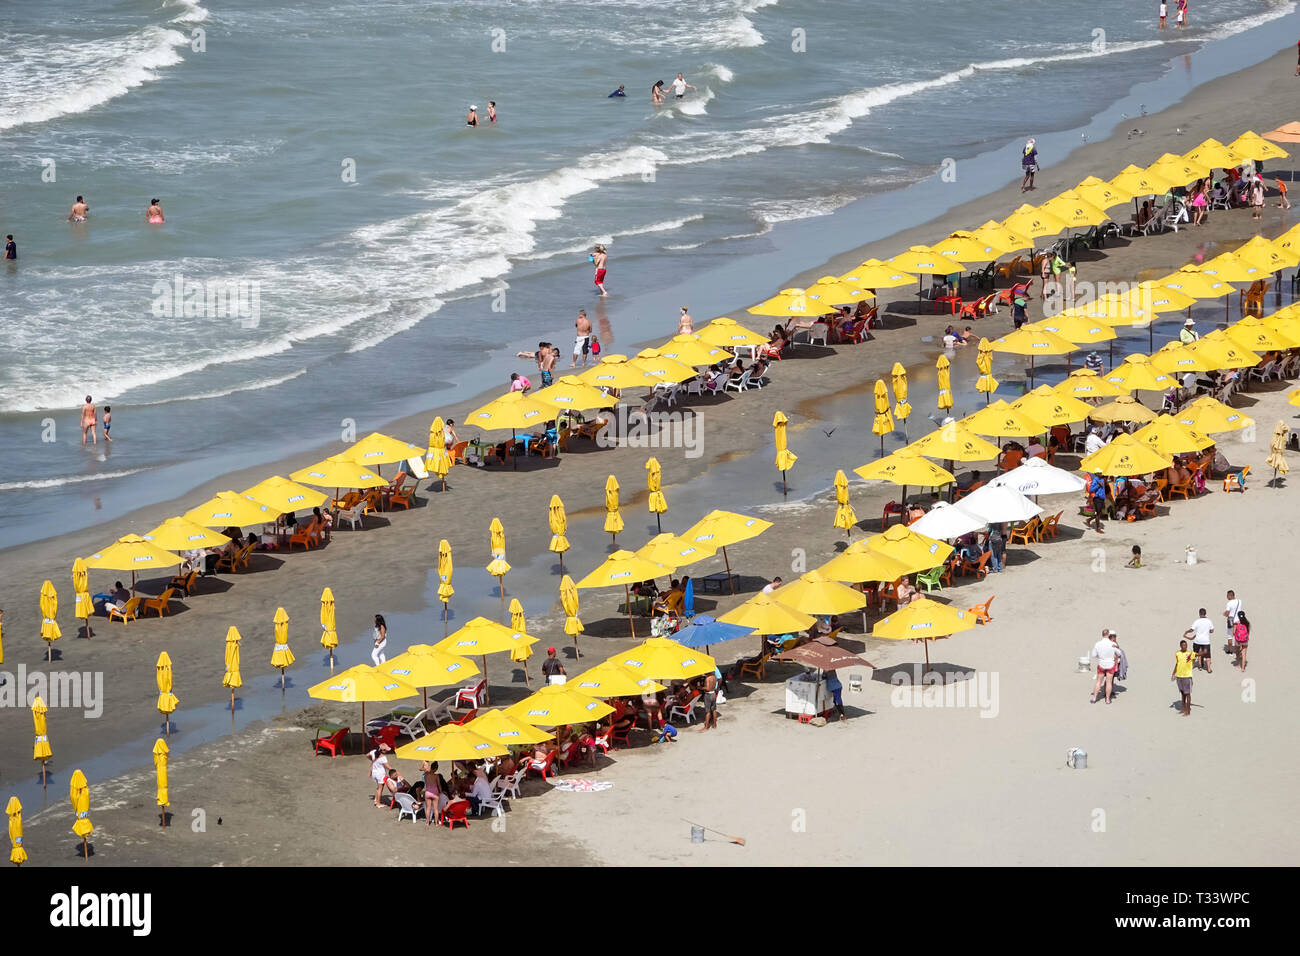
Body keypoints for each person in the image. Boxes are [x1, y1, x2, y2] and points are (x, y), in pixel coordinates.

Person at [1090, 628, 1119, 704]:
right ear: (1108, 635)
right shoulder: (1113, 644)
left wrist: (1100, 657)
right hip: (1110, 665)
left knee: (1098, 682)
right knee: (1109, 682)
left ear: (1102, 635)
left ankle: (1094, 698)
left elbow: (1093, 655)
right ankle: (1107, 699)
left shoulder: (1098, 644)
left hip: (1101, 664)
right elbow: (1119, 654)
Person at [1184, 607, 1213, 673]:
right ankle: (1209, 669)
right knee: (1208, 656)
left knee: (1195, 654)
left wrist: (1186, 632)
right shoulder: (1209, 621)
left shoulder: (1197, 621)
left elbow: (1192, 630)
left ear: (1199, 614)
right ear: (1205, 613)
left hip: (1197, 641)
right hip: (1206, 641)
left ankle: (1192, 667)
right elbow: (1212, 631)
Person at [1172, 639, 1195, 716]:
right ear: (1180, 646)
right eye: (1183, 645)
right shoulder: (1177, 654)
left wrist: (1204, 652)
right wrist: (1173, 673)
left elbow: (1197, 654)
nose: (1185, 646)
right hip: (1179, 676)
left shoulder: (1189, 654)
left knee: (1187, 694)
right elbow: (1177, 663)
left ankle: (1188, 711)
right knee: (1182, 693)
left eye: (1186, 645)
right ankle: (1183, 709)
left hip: (1187, 676)